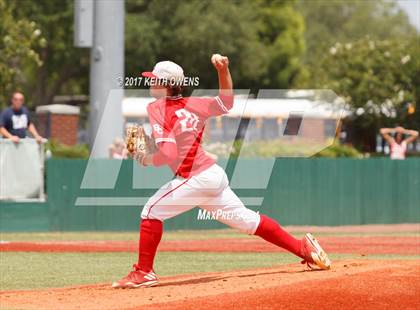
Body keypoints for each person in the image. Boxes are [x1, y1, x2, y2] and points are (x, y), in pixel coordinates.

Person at [112, 54, 331, 289]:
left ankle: (144, 272)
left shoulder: (157, 107)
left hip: (195, 178)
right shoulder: (195, 104)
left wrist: (145, 159)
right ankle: (303, 248)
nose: (150, 82)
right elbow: (227, 102)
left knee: (150, 212)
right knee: (248, 221)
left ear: (167, 84)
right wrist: (223, 70)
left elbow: (168, 154)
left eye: (154, 79)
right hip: (212, 176)